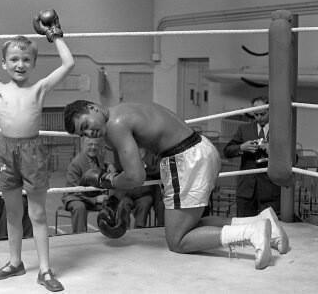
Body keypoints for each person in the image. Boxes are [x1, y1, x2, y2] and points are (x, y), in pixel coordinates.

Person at [64, 99, 289, 270]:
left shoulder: (115, 125)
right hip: (199, 149)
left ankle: (251, 233)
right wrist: (114, 196)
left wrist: (104, 180)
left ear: (93, 107)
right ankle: (262, 221)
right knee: (191, 223)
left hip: (184, 159)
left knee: (178, 240)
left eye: (85, 124)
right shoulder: (121, 110)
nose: (88, 132)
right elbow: (129, 167)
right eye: (81, 133)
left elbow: (135, 177)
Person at [0, 10, 74, 292]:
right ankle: (14, 262)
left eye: (25, 60)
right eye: (14, 59)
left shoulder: (39, 89)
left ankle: (45, 270)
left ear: (33, 63)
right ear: (4, 63)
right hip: (6, 151)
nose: (20, 64)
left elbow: (69, 63)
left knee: (37, 214)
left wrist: (55, 35)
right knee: (11, 213)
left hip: (32, 151)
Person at [223, 96, 281, 218]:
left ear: (271, 111)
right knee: (244, 230)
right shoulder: (244, 129)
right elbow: (227, 151)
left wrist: (273, 152)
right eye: (256, 115)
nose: (259, 118)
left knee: (271, 230)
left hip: (270, 192)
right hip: (246, 191)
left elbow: (294, 159)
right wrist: (241, 148)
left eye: (262, 114)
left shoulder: (280, 130)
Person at [62, 137, 110, 233]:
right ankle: (80, 237)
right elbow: (74, 190)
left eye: (96, 144)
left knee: (111, 204)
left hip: (93, 195)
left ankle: (110, 233)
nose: (93, 147)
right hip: (75, 197)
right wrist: (96, 199)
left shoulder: (98, 158)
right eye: (90, 144)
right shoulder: (76, 163)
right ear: (83, 145)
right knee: (79, 207)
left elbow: (102, 170)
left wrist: (109, 165)